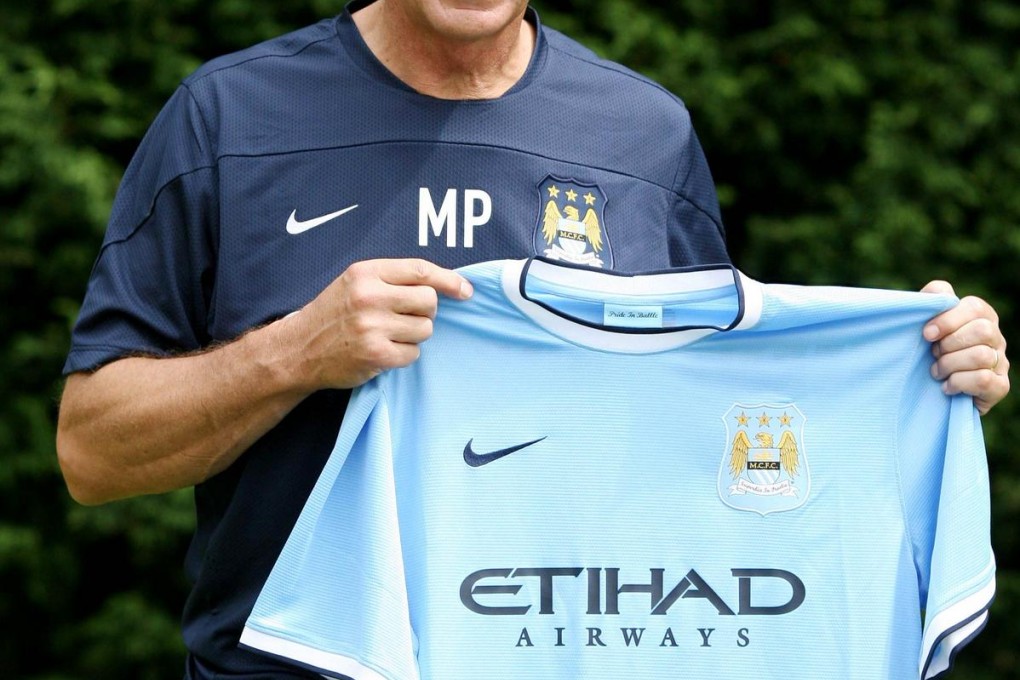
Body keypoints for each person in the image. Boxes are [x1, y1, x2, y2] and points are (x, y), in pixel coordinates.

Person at [55, 0, 1010, 678]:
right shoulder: (229, 118)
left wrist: (917, 373)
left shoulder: (643, 136)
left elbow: (709, 444)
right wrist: (297, 352)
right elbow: (91, 452)